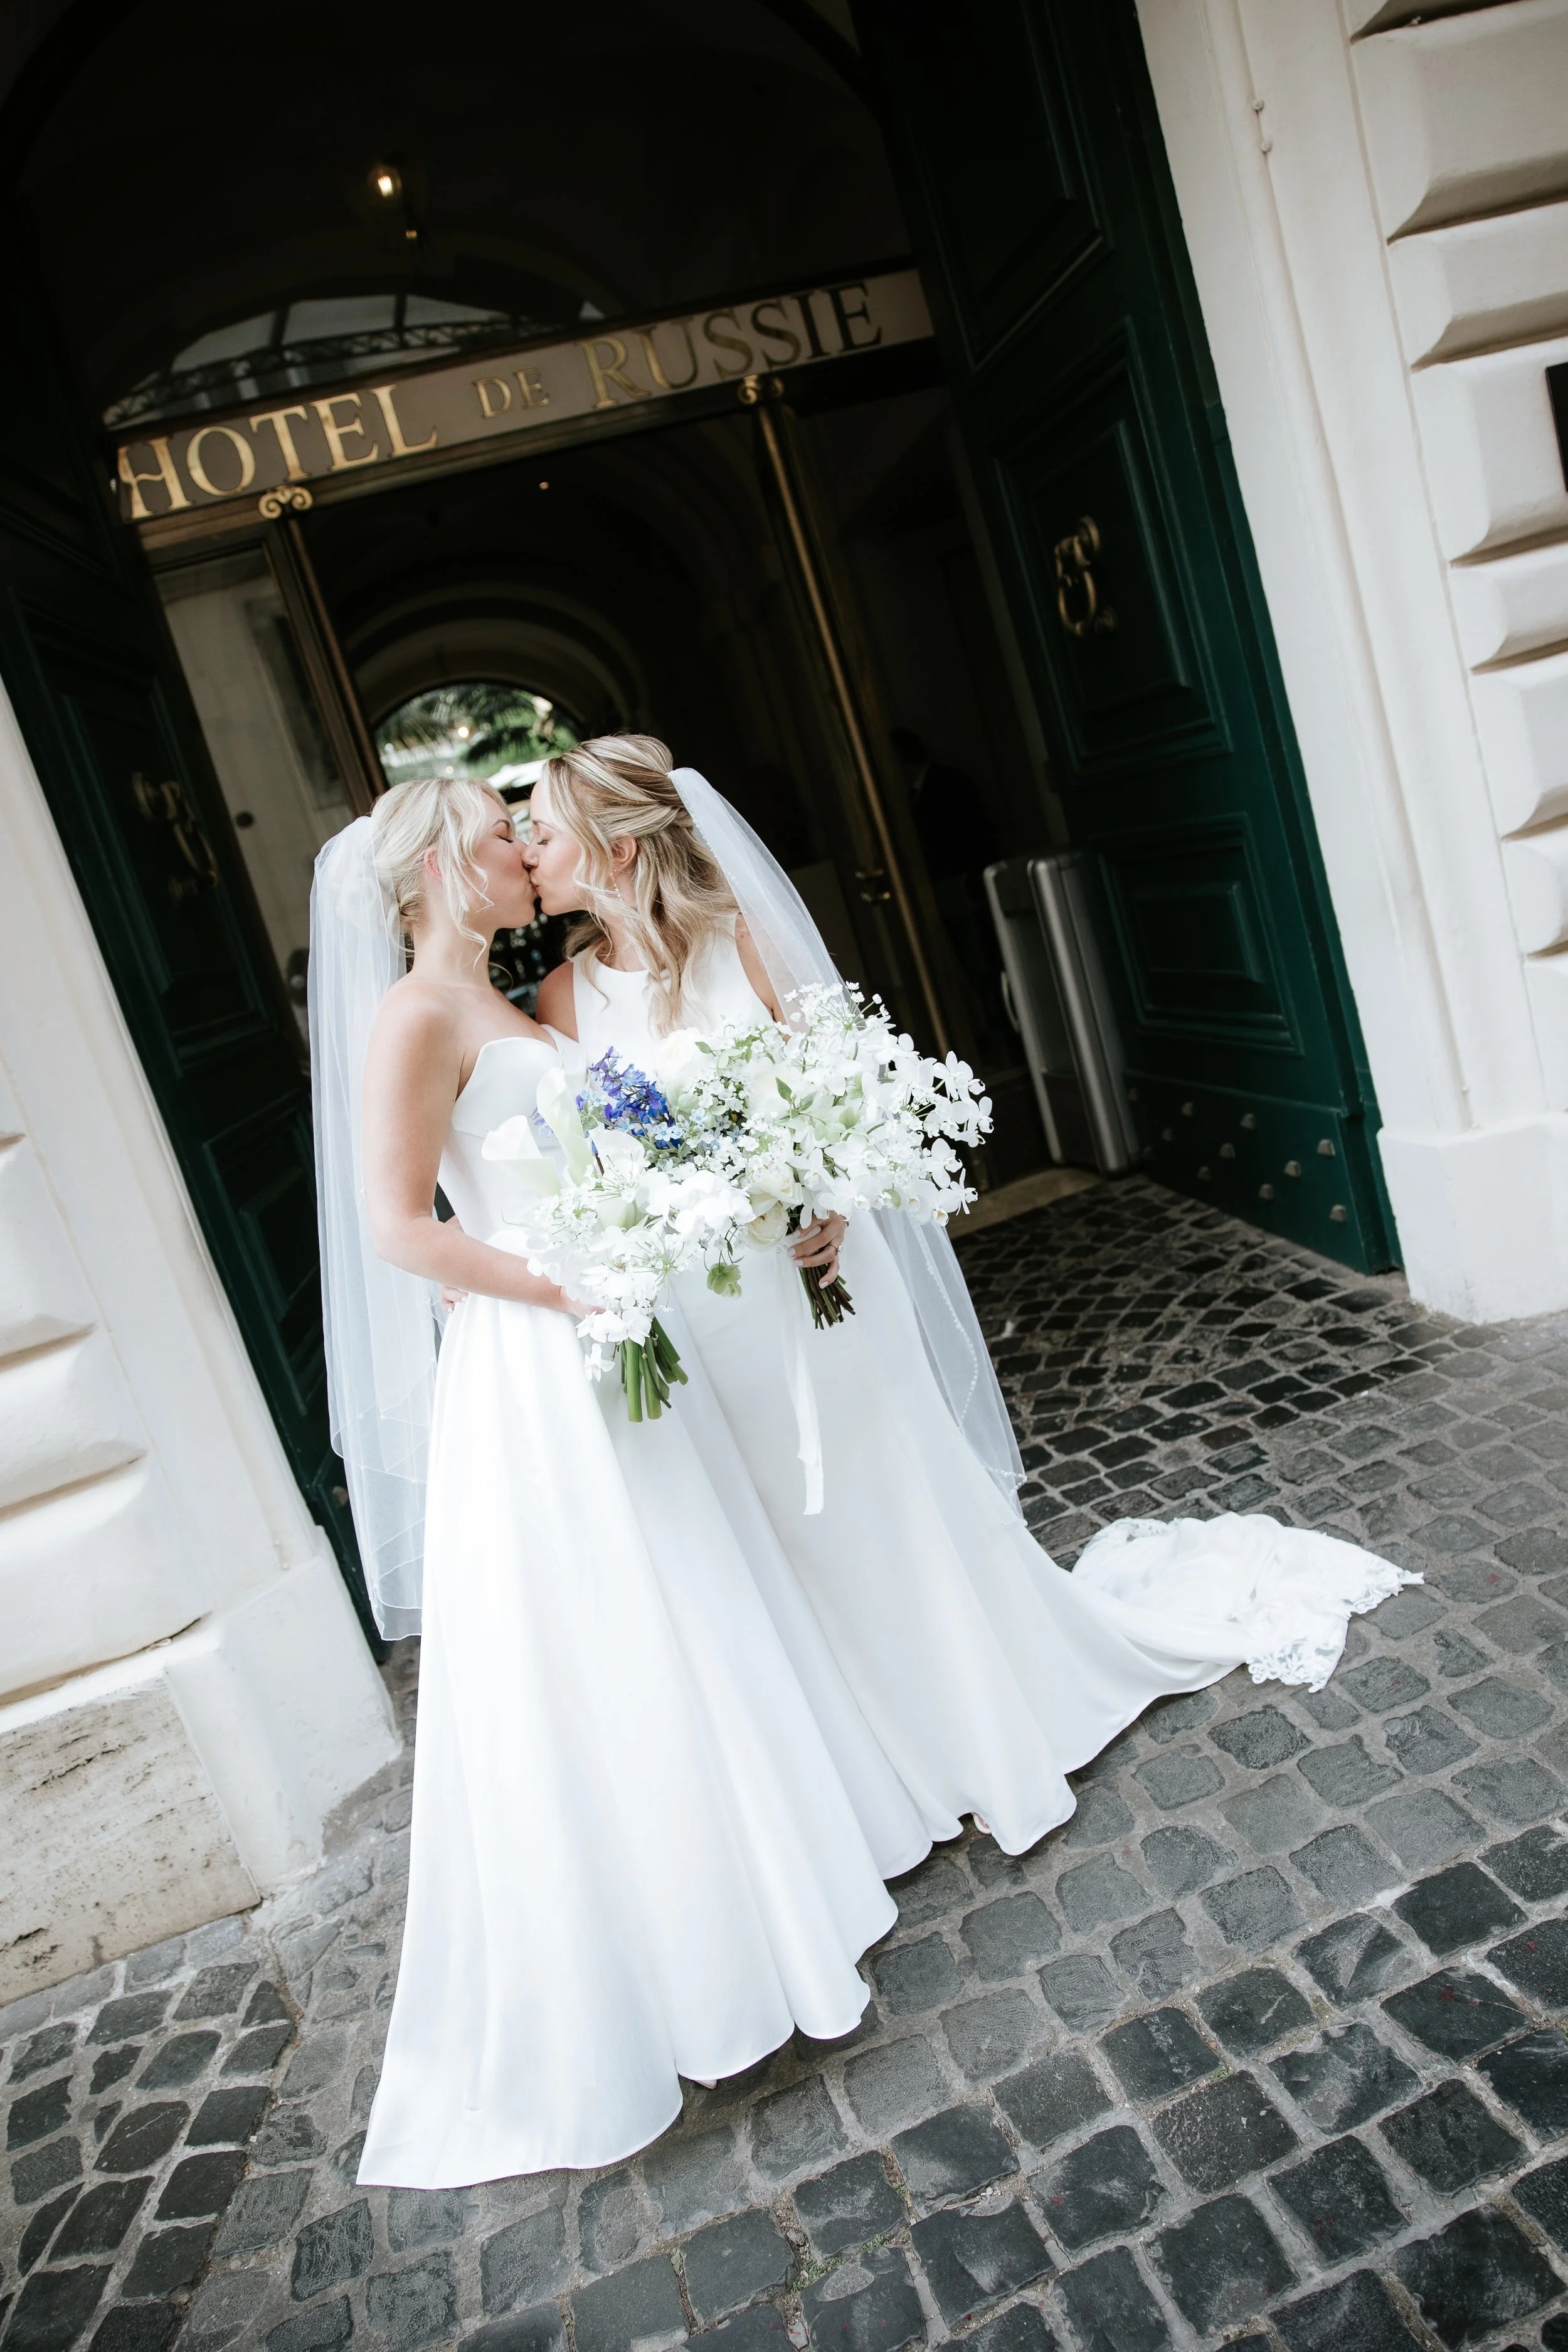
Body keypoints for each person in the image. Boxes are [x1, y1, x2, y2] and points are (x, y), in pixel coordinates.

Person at [313, 774, 916, 2188]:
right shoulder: (415, 1016)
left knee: (687, 1606)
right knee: (608, 1642)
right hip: (543, 1361)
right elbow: (401, 1228)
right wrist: (563, 1287)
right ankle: (677, 1957)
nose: (521, 856)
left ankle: (771, 1897)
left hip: (604, 1337)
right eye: (495, 843)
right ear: (439, 874)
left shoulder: (508, 1005)